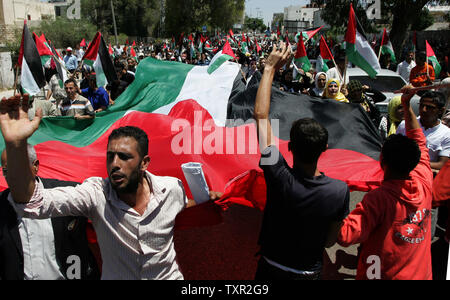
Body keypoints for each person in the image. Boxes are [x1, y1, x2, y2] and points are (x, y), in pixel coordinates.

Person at [0, 97, 223, 279]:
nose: (115, 164)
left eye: (124, 157)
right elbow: (30, 201)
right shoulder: (95, 195)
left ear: (144, 163)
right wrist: (16, 146)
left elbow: (182, 207)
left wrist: (205, 201)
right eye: (110, 157)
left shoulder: (171, 189)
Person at [253, 42, 350, 280]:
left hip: (270, 268)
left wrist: (269, 69)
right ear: (325, 149)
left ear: (290, 147)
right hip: (308, 273)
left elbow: (261, 116)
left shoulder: (278, 175)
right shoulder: (339, 191)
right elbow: (329, 240)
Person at [338, 85, 434, 280]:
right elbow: (419, 140)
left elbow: (345, 235)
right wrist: (406, 106)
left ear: (382, 162)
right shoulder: (424, 179)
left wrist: (329, 198)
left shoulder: (378, 199)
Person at [0, 145, 100, 280]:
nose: (12, 178)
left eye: (18, 170)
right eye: (6, 171)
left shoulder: (68, 196)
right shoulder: (2, 206)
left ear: (35, 166)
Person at [396, 91, 450, 171]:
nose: (424, 110)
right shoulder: (405, 125)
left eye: (429, 107)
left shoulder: (446, 134)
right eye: (421, 105)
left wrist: (412, 163)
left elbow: (441, 165)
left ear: (441, 111)